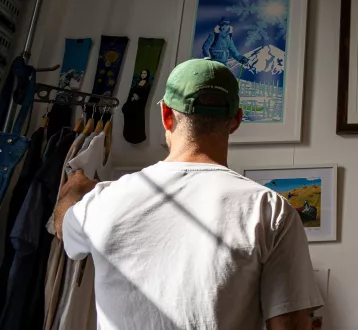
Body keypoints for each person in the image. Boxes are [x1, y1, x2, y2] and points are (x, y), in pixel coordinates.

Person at [54, 59, 322, 329]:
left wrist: (74, 189)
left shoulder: (103, 202)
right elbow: (290, 324)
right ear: (236, 121)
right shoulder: (270, 209)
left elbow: (63, 226)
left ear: (167, 115)